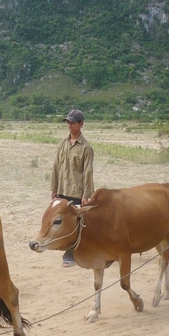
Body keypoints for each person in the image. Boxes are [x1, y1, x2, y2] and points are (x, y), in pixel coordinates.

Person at [50, 109, 95, 267]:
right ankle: (66, 247)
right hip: (62, 189)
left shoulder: (86, 148)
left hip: (77, 191)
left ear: (81, 124)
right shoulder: (63, 143)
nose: (69, 125)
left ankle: (71, 254)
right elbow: (56, 166)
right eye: (67, 122)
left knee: (77, 223)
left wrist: (86, 194)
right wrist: (54, 188)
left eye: (72, 122)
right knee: (61, 221)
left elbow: (88, 172)